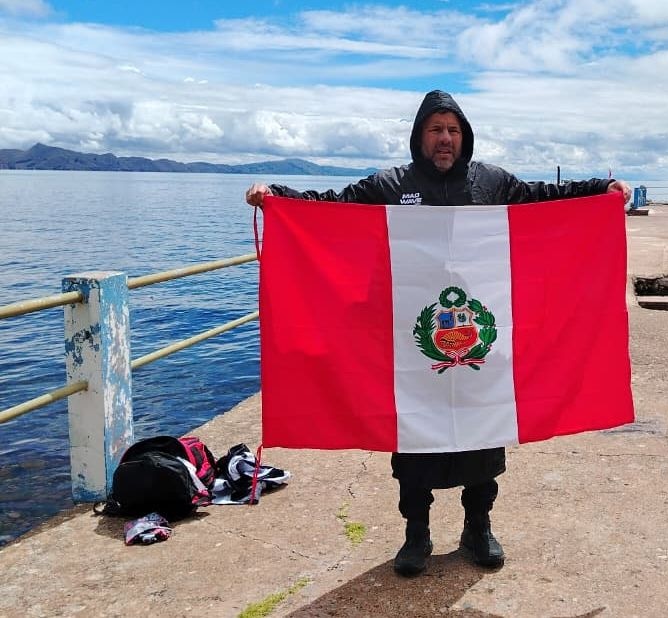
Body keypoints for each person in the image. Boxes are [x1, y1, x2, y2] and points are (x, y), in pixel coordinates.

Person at [246, 89, 630, 577]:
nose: (445, 139)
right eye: (436, 129)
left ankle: (477, 527)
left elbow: (542, 199)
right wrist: (278, 197)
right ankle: (417, 534)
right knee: (413, 446)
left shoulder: (490, 181)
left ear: (464, 135)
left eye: (453, 130)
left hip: (479, 346)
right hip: (411, 346)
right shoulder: (392, 184)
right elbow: (333, 206)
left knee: (482, 439)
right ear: (419, 135)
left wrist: (602, 188)